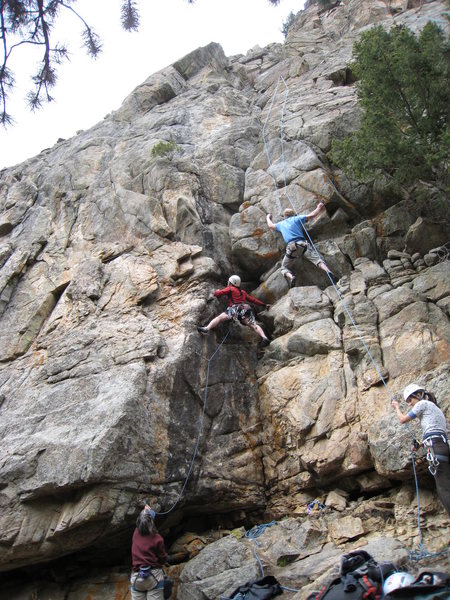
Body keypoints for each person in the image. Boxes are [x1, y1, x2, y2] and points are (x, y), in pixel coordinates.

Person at [392, 384, 450, 517]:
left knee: (444, 489)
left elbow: (402, 420)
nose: (410, 404)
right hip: (441, 446)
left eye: (410, 401)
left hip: (436, 448)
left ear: (418, 394)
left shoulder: (423, 403)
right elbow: (434, 432)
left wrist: (396, 407)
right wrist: (419, 444)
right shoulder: (436, 409)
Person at [266, 203, 335, 288]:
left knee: (283, 267)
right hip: (303, 244)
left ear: (284, 216)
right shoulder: (297, 218)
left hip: (292, 248)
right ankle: (327, 270)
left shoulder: (281, 224)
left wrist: (268, 217)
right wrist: (319, 207)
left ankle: (291, 277)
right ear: (293, 214)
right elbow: (312, 215)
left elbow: (270, 225)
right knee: (317, 260)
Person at [197, 275, 271, 346]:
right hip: (245, 309)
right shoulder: (243, 292)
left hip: (234, 309)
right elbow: (253, 300)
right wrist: (264, 305)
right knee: (253, 325)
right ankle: (264, 337)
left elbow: (217, 294)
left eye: (229, 281)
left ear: (231, 283)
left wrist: (217, 291)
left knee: (219, 318)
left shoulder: (230, 288)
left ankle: (207, 328)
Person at [130, 505, 168, 600]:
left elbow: (144, 518)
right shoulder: (157, 538)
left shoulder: (136, 533)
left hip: (137, 578)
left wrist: (145, 510)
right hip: (153, 577)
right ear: (151, 522)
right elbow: (163, 559)